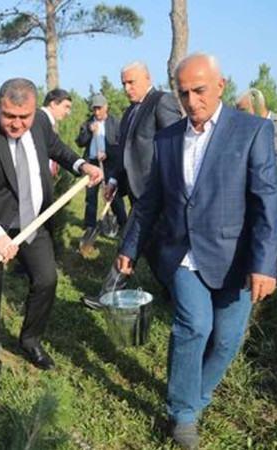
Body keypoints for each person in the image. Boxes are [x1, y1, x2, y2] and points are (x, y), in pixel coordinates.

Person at [118, 53, 277, 448]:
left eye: (200, 91)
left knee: (227, 340)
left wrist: (264, 265)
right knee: (194, 327)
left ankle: (195, 397)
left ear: (220, 85)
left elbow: (267, 200)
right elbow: (151, 199)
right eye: (184, 92)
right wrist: (130, 246)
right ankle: (183, 415)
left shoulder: (251, 131)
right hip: (180, 253)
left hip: (235, 259)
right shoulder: (168, 137)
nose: (192, 101)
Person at [0, 78, 103, 392]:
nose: (17, 123)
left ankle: (30, 340)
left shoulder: (37, 123)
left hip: (32, 221)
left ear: (34, 109)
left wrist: (81, 165)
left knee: (47, 280)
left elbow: (56, 148)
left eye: (23, 116)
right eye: (9, 115)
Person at [82, 61, 182, 310]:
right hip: (136, 191)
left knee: (130, 240)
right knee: (152, 247)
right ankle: (176, 291)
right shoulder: (129, 113)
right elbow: (122, 151)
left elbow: (175, 147)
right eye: (123, 83)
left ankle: (108, 296)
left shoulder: (162, 102)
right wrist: (114, 180)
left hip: (157, 192)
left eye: (131, 82)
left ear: (147, 79)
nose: (126, 88)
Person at [75, 94, 127, 231]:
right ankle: (90, 226)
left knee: (112, 194)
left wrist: (107, 153)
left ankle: (123, 223)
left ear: (106, 107)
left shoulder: (115, 123)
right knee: (91, 196)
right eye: (94, 109)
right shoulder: (87, 124)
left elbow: (120, 144)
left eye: (99, 108)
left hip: (109, 164)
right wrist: (88, 131)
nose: (97, 112)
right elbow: (80, 142)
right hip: (91, 163)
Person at [236, 88, 277, 153]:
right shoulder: (240, 131)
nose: (239, 115)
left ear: (258, 106)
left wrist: (268, 162)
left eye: (243, 110)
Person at [41, 88, 73, 177]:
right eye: (66, 107)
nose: (68, 112)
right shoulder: (39, 121)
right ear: (53, 104)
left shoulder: (46, 122)